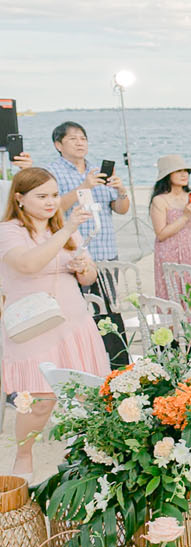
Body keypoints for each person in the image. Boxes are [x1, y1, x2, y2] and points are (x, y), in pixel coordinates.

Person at [0, 168, 108, 475]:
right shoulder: (9, 230)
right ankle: (24, 456)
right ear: (19, 199)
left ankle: (88, 458)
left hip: (73, 325)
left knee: (87, 396)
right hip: (34, 328)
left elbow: (89, 277)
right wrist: (67, 228)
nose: (51, 203)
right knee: (40, 401)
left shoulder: (62, 228)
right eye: (42, 196)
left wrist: (83, 265)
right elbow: (29, 263)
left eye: (54, 195)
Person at [46, 121, 130, 368]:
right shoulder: (52, 173)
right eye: (73, 138)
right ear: (58, 145)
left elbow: (121, 209)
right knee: (76, 314)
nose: (80, 142)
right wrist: (82, 188)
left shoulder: (98, 171)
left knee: (109, 312)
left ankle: (117, 367)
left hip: (106, 253)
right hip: (74, 256)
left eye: (83, 138)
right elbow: (51, 209)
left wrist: (121, 190)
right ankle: (82, 365)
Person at [148, 154, 191, 301]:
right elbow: (161, 234)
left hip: (190, 250)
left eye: (186, 171)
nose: (184, 174)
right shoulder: (160, 200)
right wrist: (186, 216)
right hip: (169, 253)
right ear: (167, 175)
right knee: (172, 293)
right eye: (178, 171)